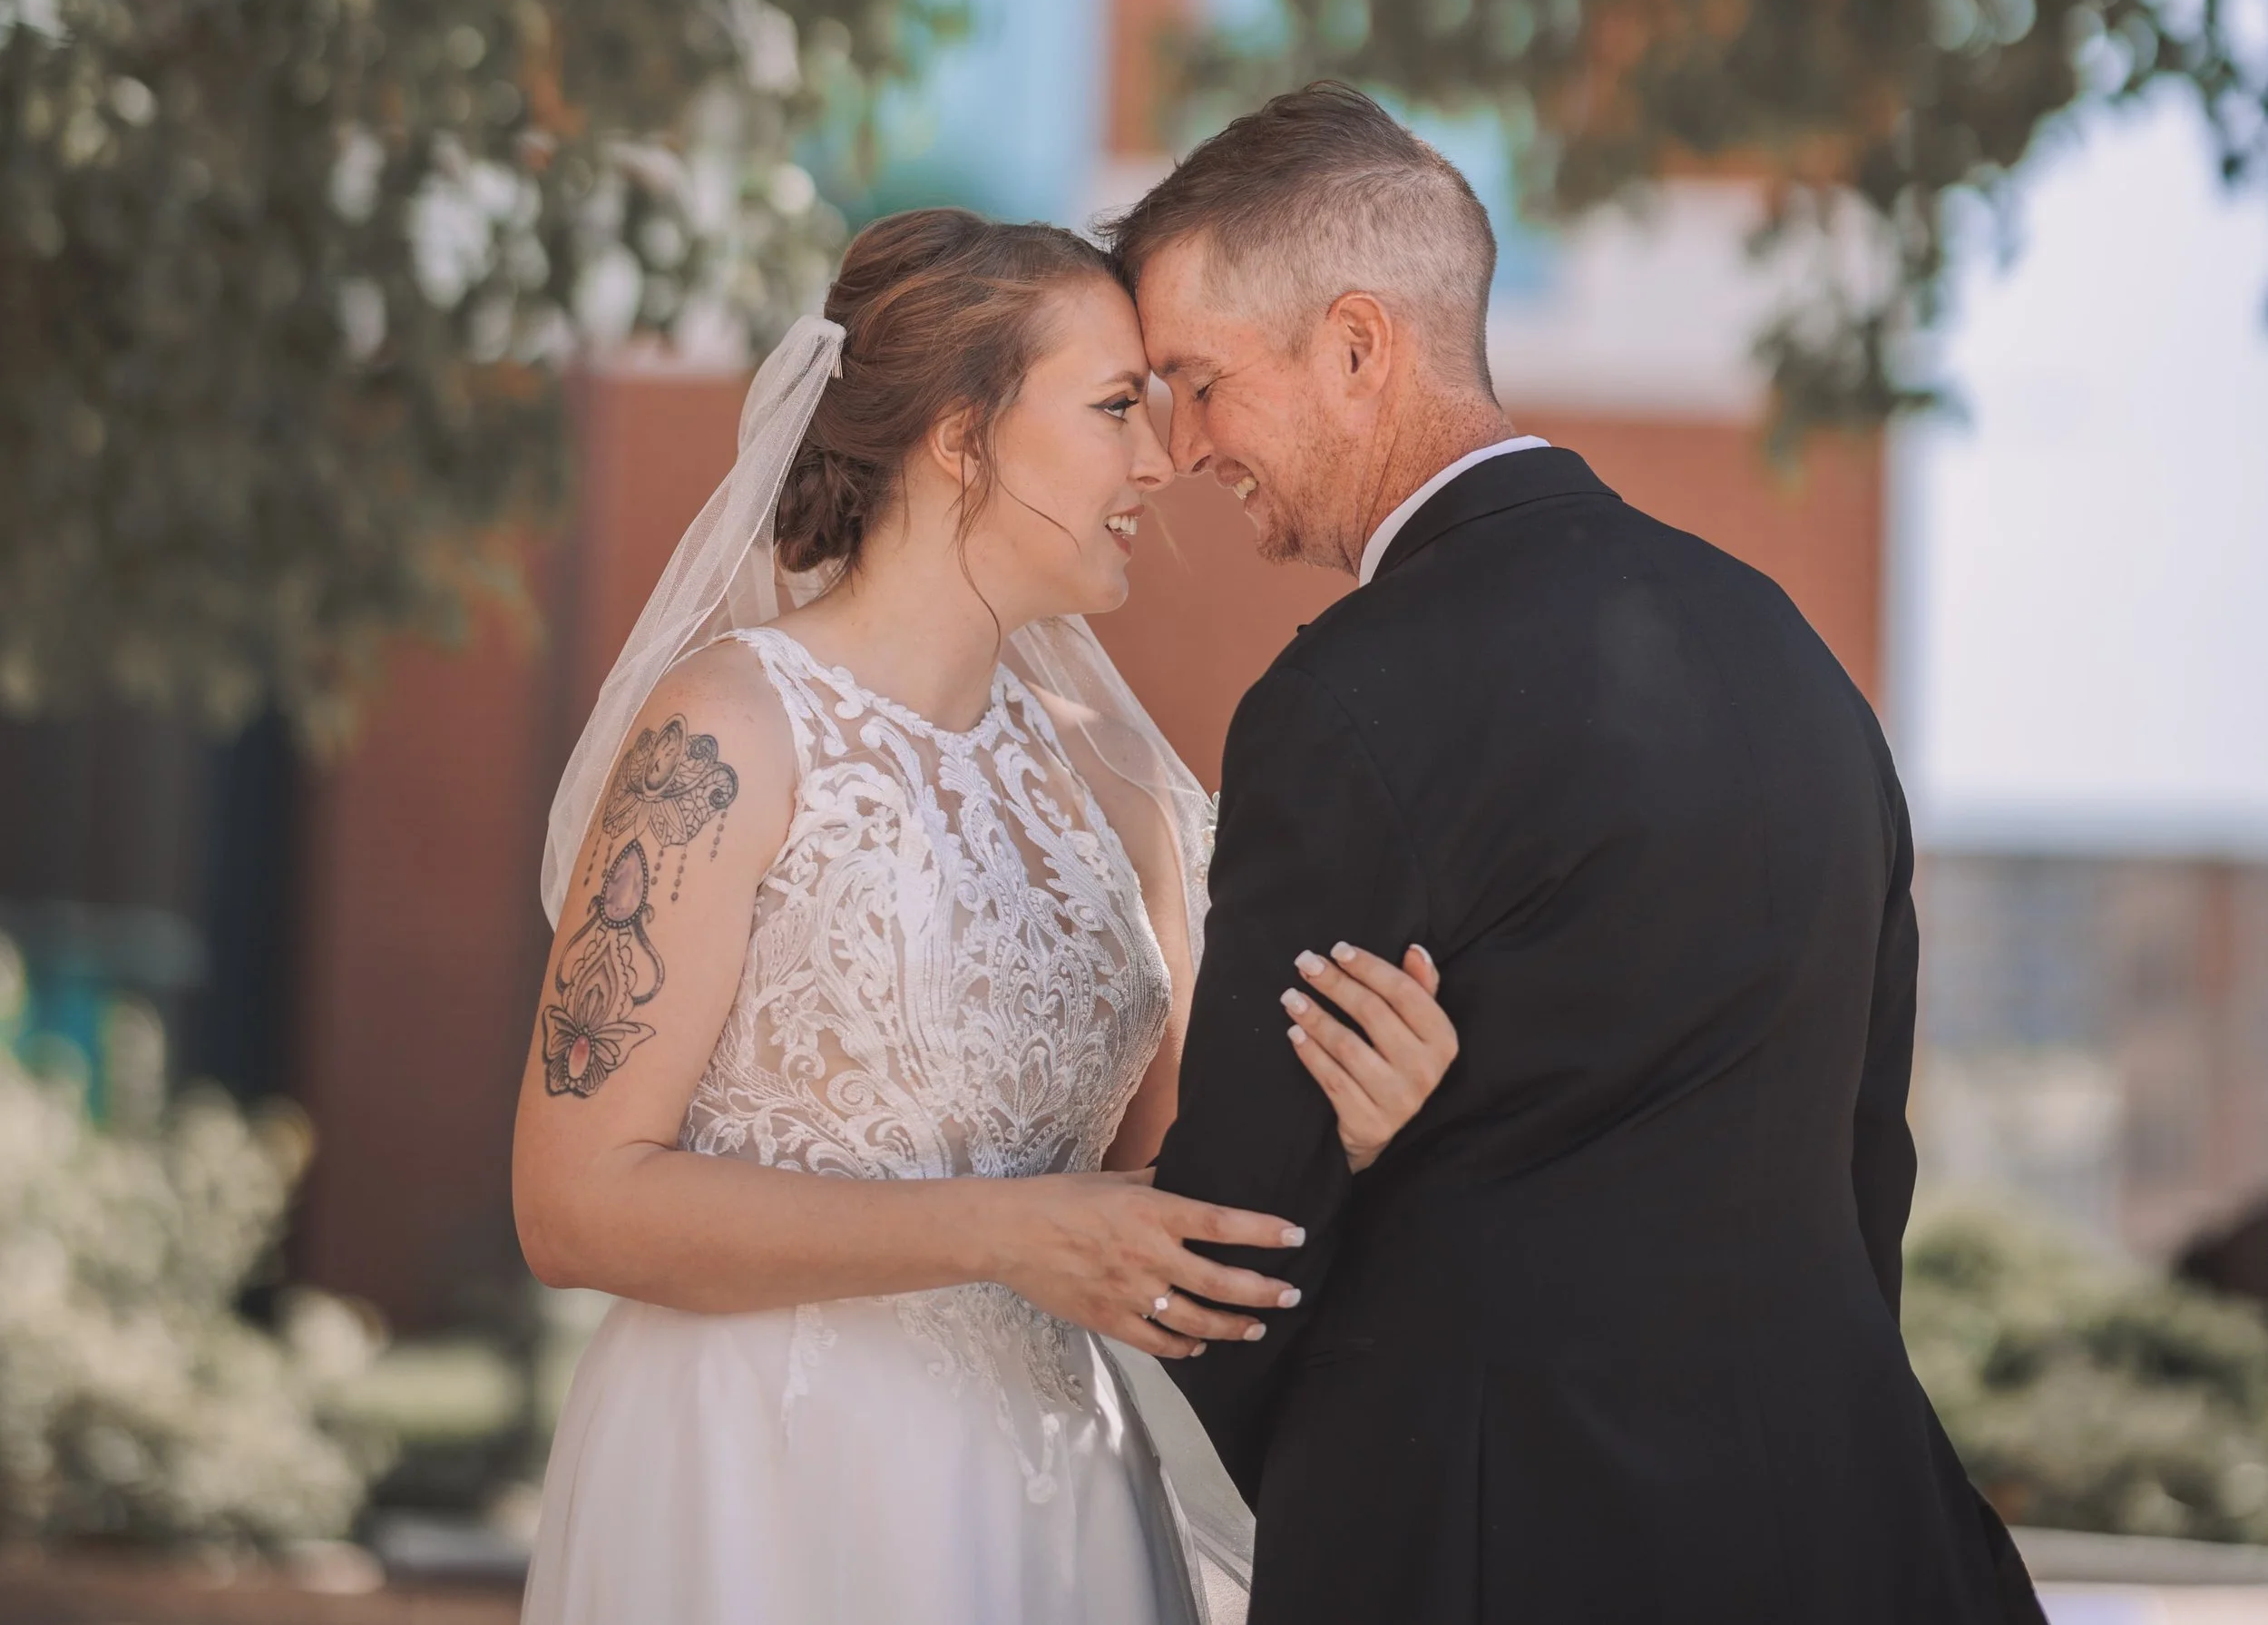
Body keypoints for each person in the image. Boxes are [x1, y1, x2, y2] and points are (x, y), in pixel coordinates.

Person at [1117, 82, 2048, 1625]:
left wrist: (1363, 1467)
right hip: (1849, 1533)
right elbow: (1862, 1162)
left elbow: (1228, 1242)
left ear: (1357, 347)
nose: (1185, 442)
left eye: (1202, 383)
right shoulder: (1792, 656)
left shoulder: (1345, 703)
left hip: (1498, 1551)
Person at [514, 207, 1456, 1625]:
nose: (1161, 460)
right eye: (1114, 409)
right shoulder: (724, 739)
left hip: (1052, 1498)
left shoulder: (1121, 790)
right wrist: (1000, 1236)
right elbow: (573, 1205)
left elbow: (1183, 1193)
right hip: (764, 1483)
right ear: (961, 436)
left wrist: (1378, 1126)